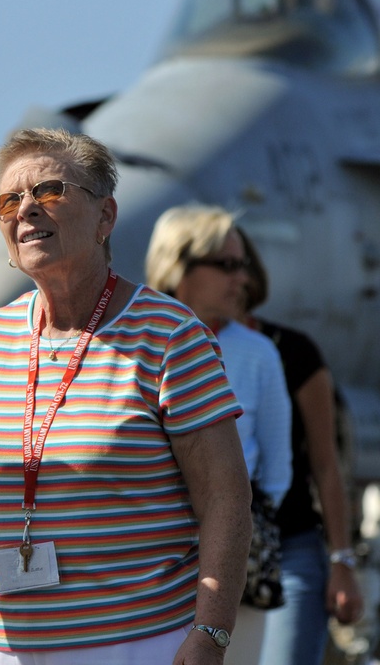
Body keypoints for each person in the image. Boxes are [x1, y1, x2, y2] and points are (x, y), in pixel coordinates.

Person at [0, 127, 252, 665]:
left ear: (106, 217)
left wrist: (211, 633)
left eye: (50, 191)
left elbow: (226, 498)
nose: (26, 209)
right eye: (10, 200)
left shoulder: (171, 336)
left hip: (133, 643)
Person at [145, 204, 293, 664]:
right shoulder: (134, 341)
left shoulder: (259, 353)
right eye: (227, 265)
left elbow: (277, 470)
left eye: (243, 266)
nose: (241, 280)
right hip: (146, 572)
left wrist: (233, 541)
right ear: (178, 266)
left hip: (233, 576)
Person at [235, 228, 364, 664]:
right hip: (206, 554)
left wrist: (342, 561)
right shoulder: (172, 348)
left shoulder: (292, 352)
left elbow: (326, 465)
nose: (234, 279)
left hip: (288, 545)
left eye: (238, 266)